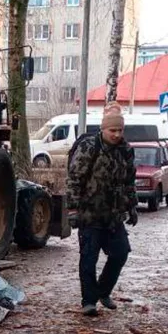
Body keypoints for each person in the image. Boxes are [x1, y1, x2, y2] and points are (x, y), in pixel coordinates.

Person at [67, 105, 137, 316]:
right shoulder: (90, 147)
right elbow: (74, 179)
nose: (116, 134)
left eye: (119, 130)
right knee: (88, 258)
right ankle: (89, 301)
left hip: (113, 215)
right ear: (103, 129)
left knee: (120, 253)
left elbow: (129, 181)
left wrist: (132, 207)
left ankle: (103, 291)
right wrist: (72, 210)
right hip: (90, 214)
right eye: (112, 130)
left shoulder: (126, 150)